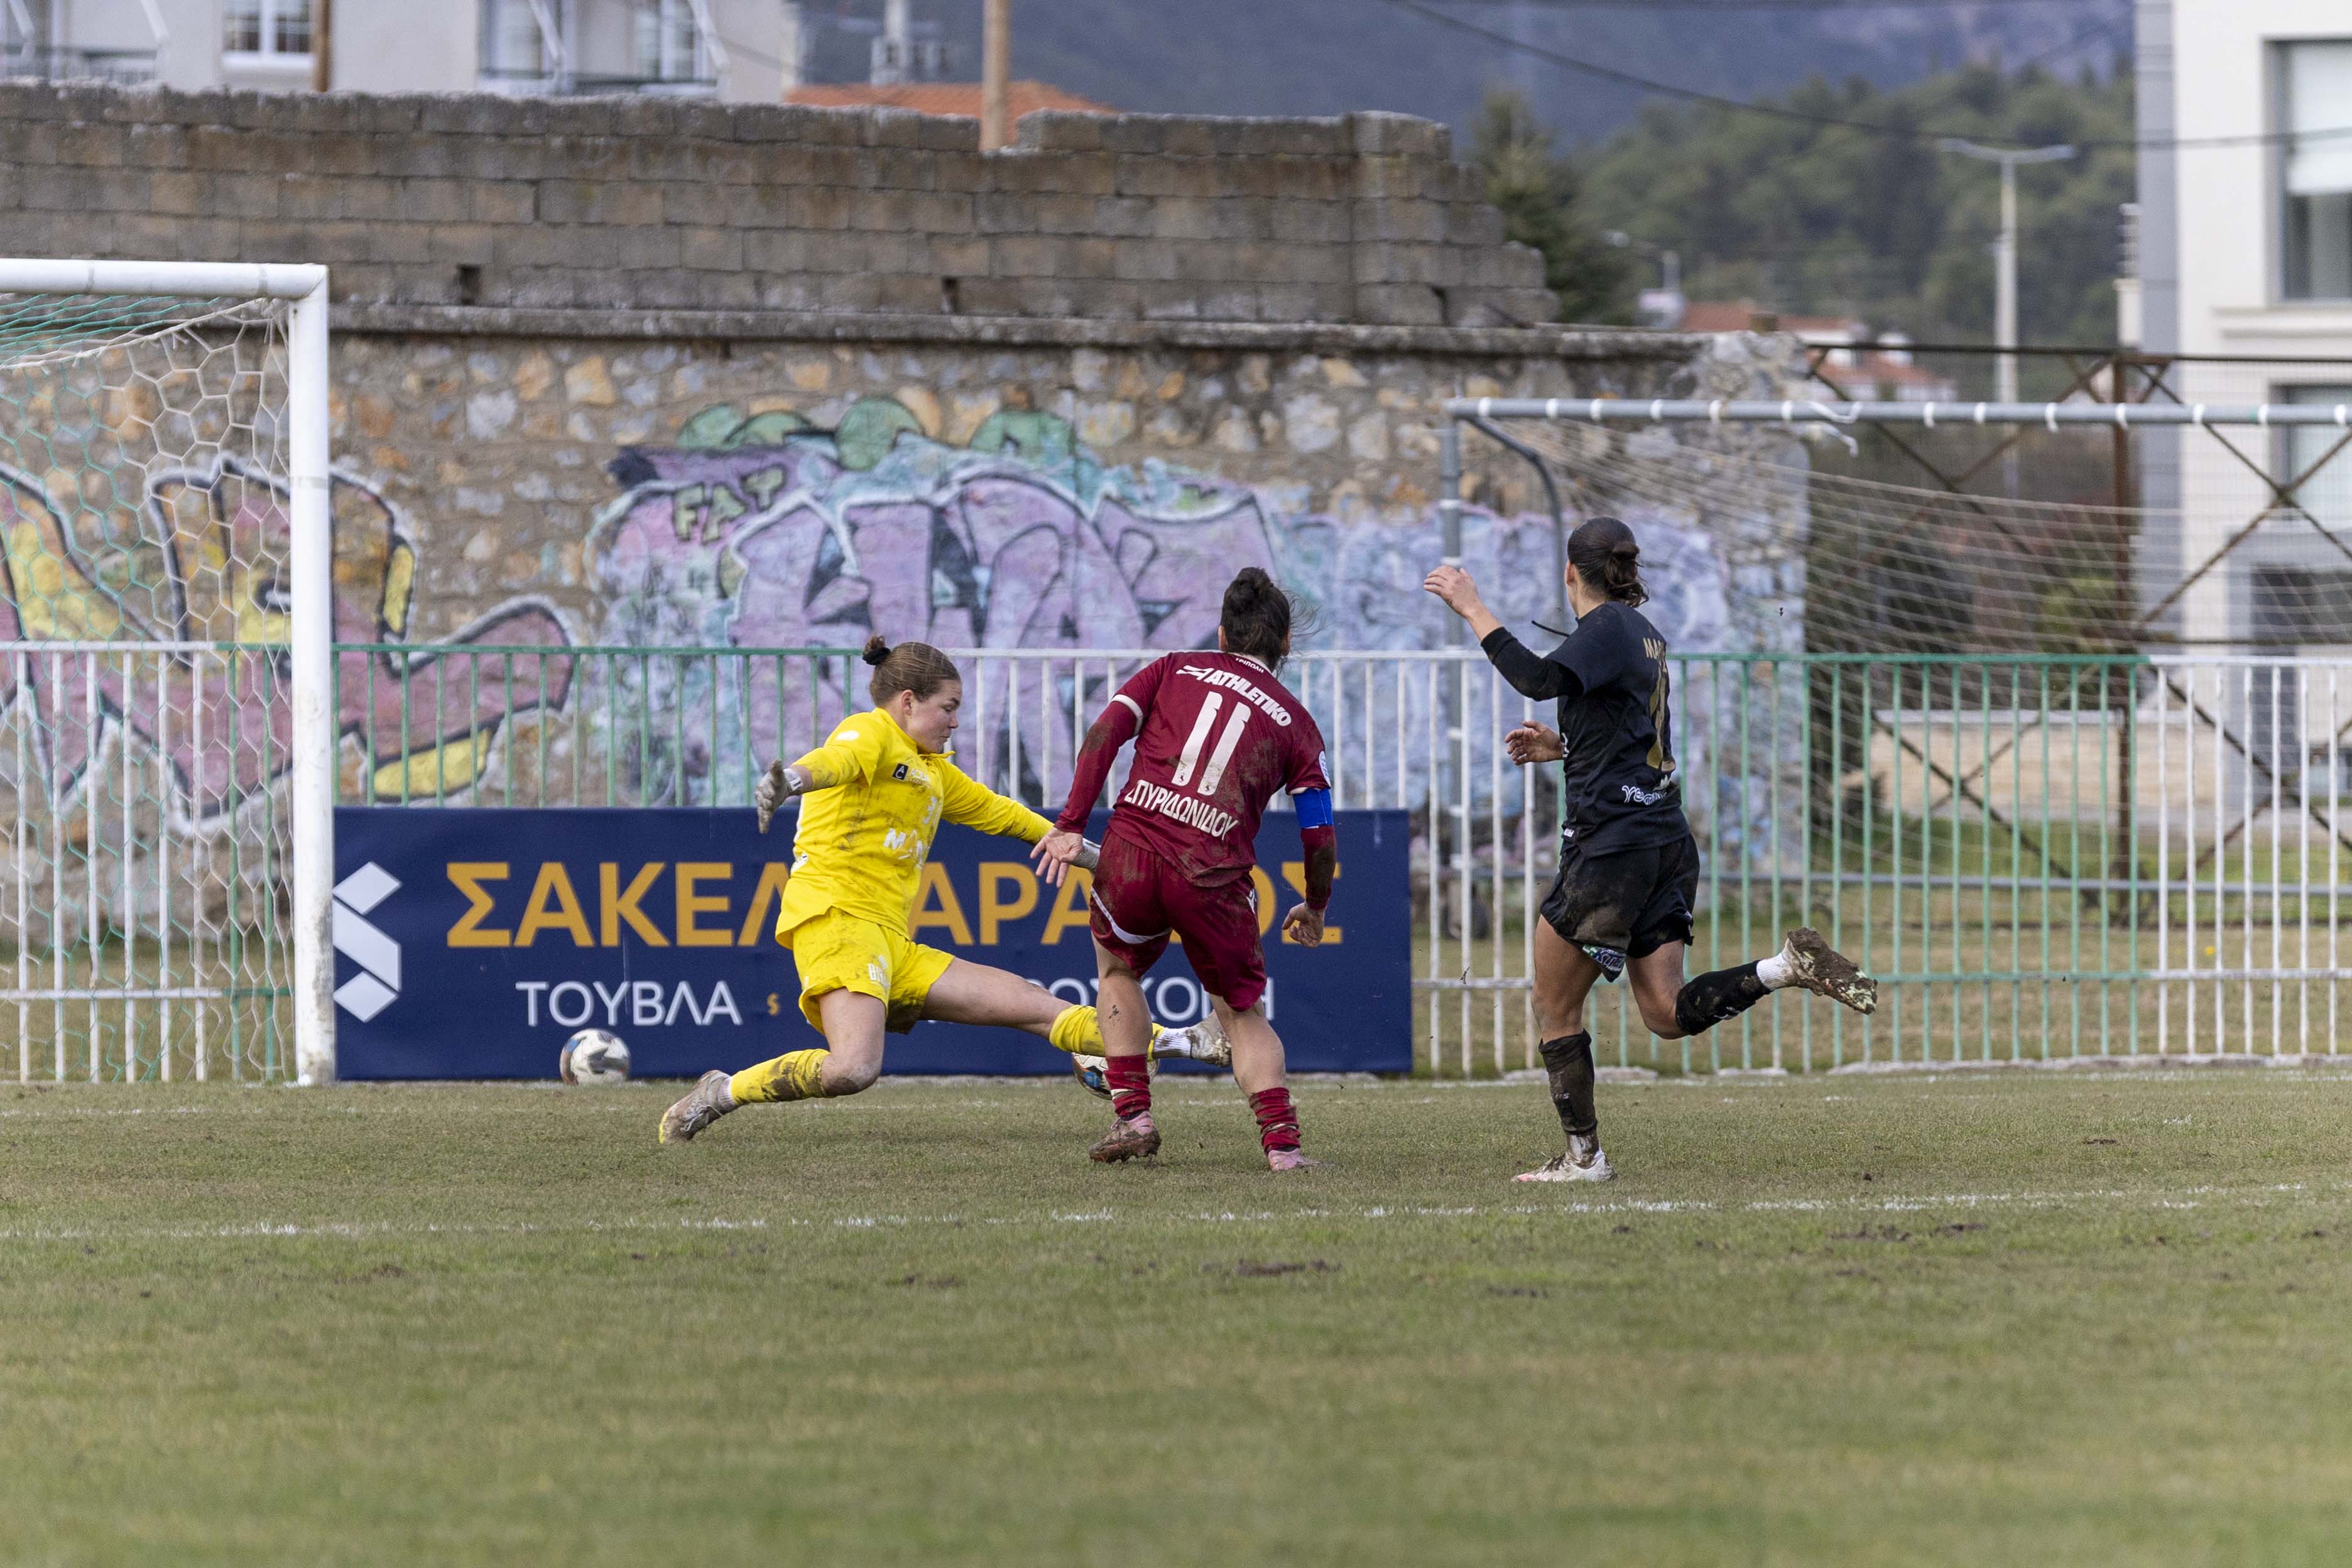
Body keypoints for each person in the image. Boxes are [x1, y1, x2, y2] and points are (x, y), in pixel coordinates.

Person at [1425, 516, 1876, 1184]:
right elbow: (1627, 734)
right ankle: (1786, 966)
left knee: (1553, 1006)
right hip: (1663, 839)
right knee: (1665, 1014)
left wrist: (1473, 607)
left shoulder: (1605, 627)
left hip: (1613, 850)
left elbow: (1537, 679)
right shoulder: (1642, 632)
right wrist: (1563, 748)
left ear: (1570, 572)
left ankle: (1584, 1158)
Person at [658, 635, 1224, 1145]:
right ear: (908, 702)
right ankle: (720, 1092)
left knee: (1032, 1004)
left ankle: (1188, 1042)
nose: (955, 722)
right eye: (948, 708)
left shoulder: (931, 770)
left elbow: (1002, 813)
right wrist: (792, 782)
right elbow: (837, 761)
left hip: (891, 943)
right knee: (853, 1068)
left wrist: (1099, 861)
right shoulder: (871, 732)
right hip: (838, 923)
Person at [1033, 568, 1337, 1172]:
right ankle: (1283, 1149)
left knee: (1118, 971)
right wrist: (1316, 902)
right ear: (1284, 644)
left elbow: (1104, 733)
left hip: (1133, 851)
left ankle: (1133, 1118)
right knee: (1240, 1013)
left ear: (1222, 634)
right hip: (1213, 871)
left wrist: (1070, 822)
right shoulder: (1297, 723)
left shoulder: (1172, 668)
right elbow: (1319, 832)